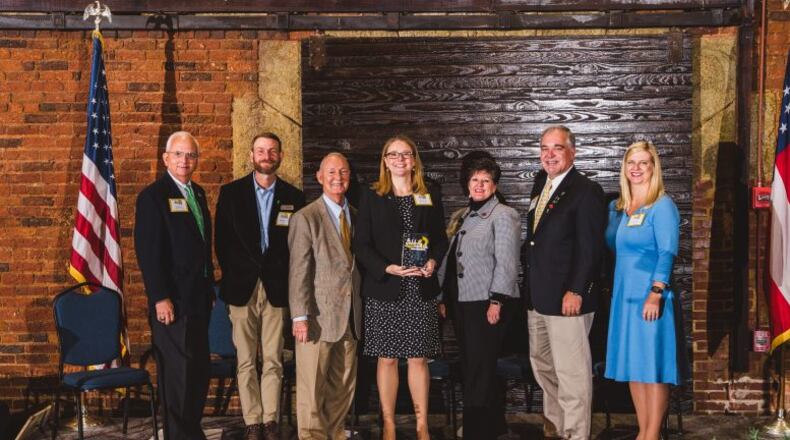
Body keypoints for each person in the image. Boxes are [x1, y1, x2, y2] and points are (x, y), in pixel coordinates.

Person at [353, 134, 449, 440]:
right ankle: (390, 424)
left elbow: (440, 238)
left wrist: (433, 260)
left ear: (414, 159)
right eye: (393, 155)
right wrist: (387, 268)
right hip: (386, 288)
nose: (400, 159)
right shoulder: (371, 195)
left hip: (420, 287)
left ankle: (422, 424)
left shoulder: (429, 192)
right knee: (388, 358)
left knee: (419, 357)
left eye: (406, 154)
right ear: (385, 161)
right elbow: (361, 244)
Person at [215, 132, 305, 440]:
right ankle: (252, 420)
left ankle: (270, 420)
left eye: (272, 151)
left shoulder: (294, 196)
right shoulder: (231, 193)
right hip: (241, 288)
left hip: (277, 288)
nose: (266, 156)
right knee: (245, 360)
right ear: (252, 155)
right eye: (260, 151)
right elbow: (222, 242)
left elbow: (297, 246)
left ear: (280, 156)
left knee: (273, 359)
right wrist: (235, 273)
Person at [522, 125, 606, 440]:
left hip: (567, 299)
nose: (549, 154)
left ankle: (576, 434)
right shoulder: (540, 185)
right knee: (544, 371)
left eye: (557, 147)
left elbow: (590, 248)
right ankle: (556, 430)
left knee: (572, 376)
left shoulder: (586, 191)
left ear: (572, 151)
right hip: (538, 299)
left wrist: (576, 290)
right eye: (544, 148)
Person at [134, 131, 214, 440]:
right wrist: (160, 297)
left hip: (197, 300)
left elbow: (200, 247)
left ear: (197, 160)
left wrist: (208, 291)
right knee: (177, 375)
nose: (185, 160)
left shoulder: (199, 194)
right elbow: (149, 253)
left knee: (198, 371)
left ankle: (191, 431)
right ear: (166, 158)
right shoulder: (153, 196)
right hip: (171, 303)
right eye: (178, 154)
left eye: (191, 155)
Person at [438, 156, 521, 439]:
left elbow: (507, 262)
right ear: (467, 184)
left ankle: (476, 430)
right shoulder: (465, 215)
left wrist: (497, 300)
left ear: (495, 186)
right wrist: (440, 296)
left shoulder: (503, 214)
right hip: (463, 303)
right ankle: (492, 426)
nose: (480, 185)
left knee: (480, 370)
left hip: (486, 304)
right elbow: (451, 260)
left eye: (486, 180)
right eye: (475, 180)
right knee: (472, 366)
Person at [604, 141, 682, 440]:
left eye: (643, 163)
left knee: (653, 368)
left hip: (651, 297)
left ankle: (651, 435)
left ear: (653, 168)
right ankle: (643, 432)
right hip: (625, 298)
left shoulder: (662, 205)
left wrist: (656, 291)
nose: (636, 168)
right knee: (635, 368)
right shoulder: (622, 209)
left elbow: (667, 252)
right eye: (630, 163)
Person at [287, 152, 362, 440]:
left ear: (349, 177)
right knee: (311, 385)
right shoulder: (306, 218)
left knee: (343, 384)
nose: (337, 178)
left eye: (343, 172)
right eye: (331, 172)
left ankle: (335, 433)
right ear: (319, 177)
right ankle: (312, 437)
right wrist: (300, 316)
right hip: (316, 317)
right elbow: (298, 271)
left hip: (350, 317)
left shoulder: (356, 215)